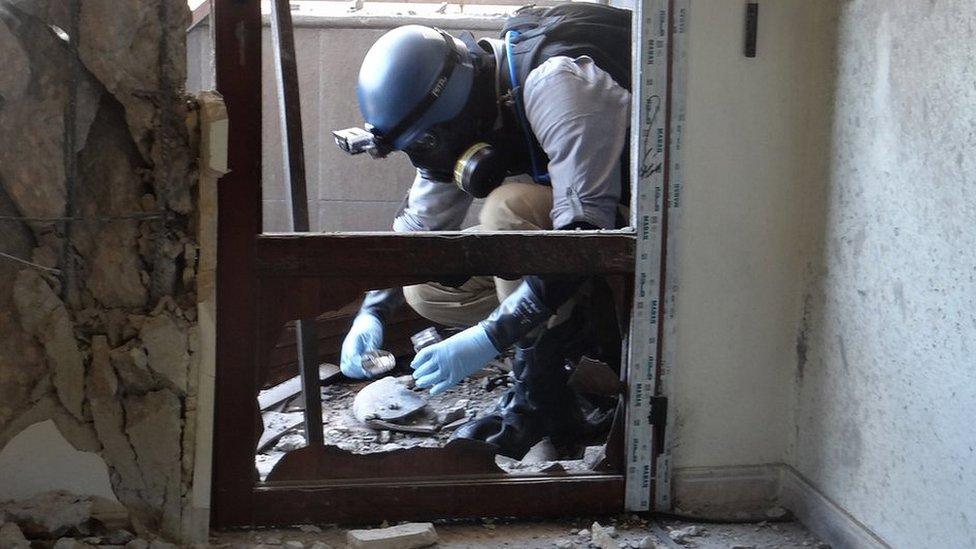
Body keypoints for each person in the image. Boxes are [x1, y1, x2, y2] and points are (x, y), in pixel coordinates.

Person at [332, 3, 632, 459]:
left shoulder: (560, 84)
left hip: (642, 223)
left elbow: (584, 240)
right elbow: (418, 232)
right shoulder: (472, 107)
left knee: (505, 210)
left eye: (430, 145)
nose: (433, 158)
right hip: (583, 230)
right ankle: (562, 358)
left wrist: (487, 338)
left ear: (456, 114)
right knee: (424, 290)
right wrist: (372, 311)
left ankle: (538, 399)